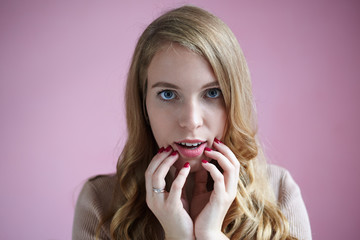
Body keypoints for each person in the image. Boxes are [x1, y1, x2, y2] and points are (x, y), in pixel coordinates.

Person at [72, 5, 311, 240]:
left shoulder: (280, 193)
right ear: (143, 104)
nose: (191, 121)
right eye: (168, 94)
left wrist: (210, 236)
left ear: (234, 100)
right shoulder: (99, 204)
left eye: (212, 93)